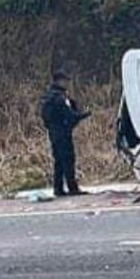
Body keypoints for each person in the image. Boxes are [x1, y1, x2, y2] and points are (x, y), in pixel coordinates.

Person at [39, 69, 91, 197]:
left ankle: (58, 189)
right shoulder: (59, 98)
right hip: (62, 133)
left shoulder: (49, 96)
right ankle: (72, 188)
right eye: (65, 81)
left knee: (59, 161)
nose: (67, 83)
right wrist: (84, 114)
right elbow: (70, 115)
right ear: (59, 81)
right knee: (68, 160)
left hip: (54, 133)